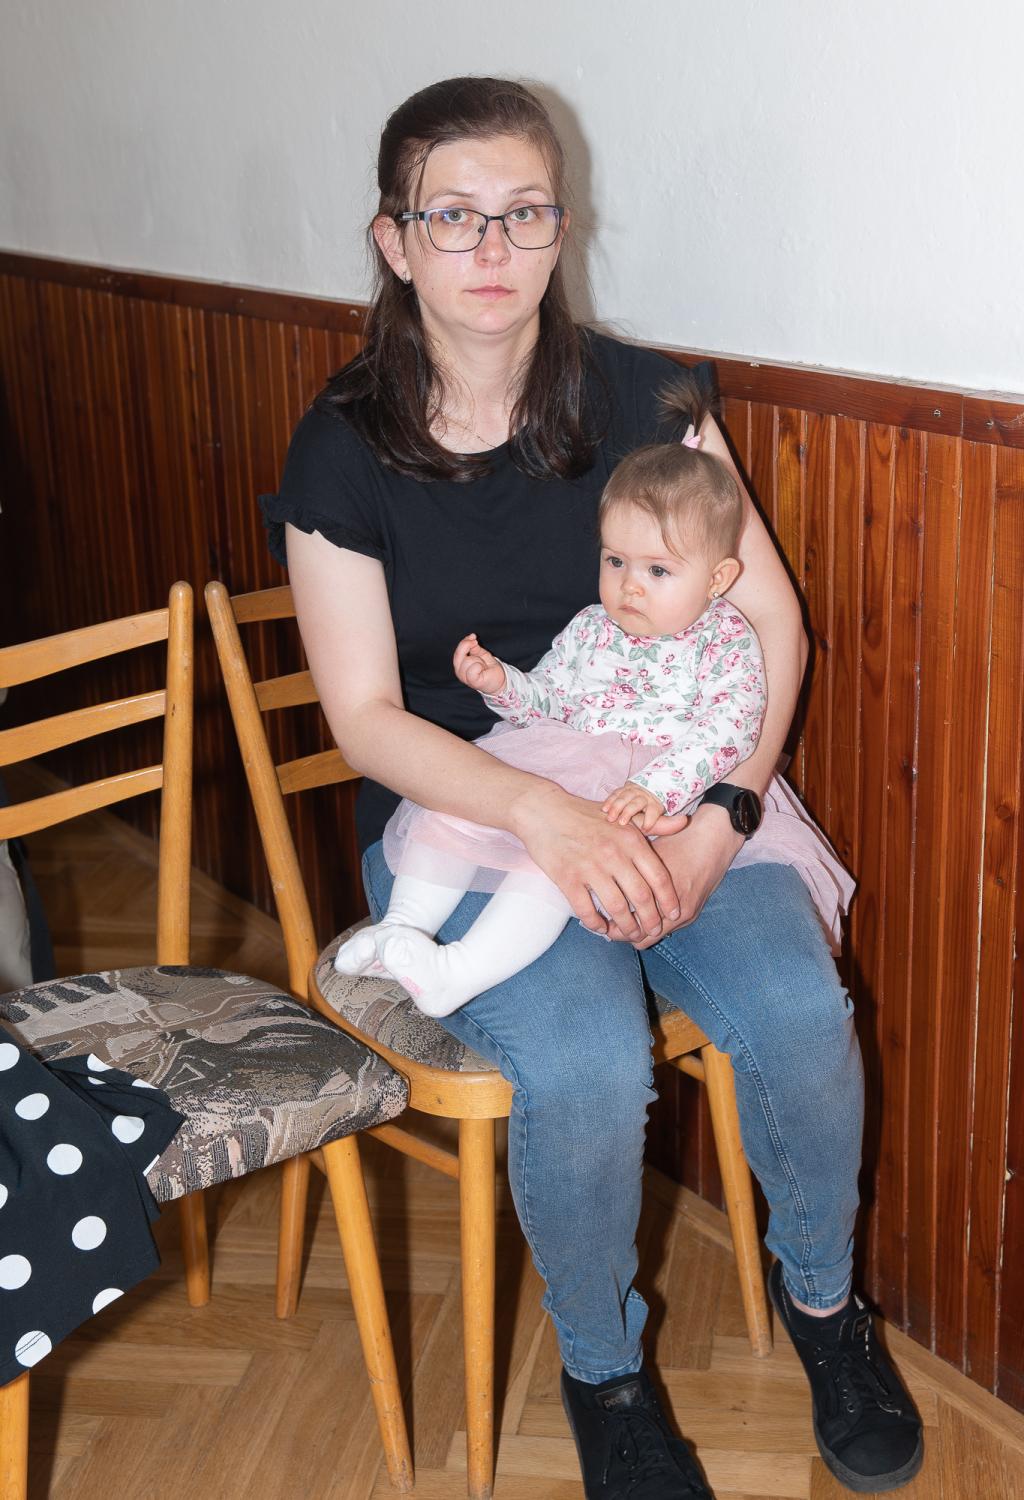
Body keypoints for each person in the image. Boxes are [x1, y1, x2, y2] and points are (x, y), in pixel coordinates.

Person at [261, 75, 923, 1498]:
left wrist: (723, 819)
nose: (493, 246)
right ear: (394, 241)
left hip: (679, 781)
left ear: (564, 227)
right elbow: (365, 718)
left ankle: (825, 1305)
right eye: (454, 216)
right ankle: (605, 1371)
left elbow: (773, 622)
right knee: (585, 1062)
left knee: (799, 1008)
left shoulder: (643, 395)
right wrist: (540, 815)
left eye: (525, 212)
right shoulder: (341, 445)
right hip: (467, 813)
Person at [333, 373, 767, 1016]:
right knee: (447, 813)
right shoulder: (593, 627)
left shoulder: (725, 639)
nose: (630, 586)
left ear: (717, 577)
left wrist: (658, 787)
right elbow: (553, 699)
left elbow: (731, 728)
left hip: (643, 787)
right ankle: (402, 928)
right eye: (615, 561)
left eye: (658, 570)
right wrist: (503, 684)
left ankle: (459, 970)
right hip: (558, 760)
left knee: (551, 871)